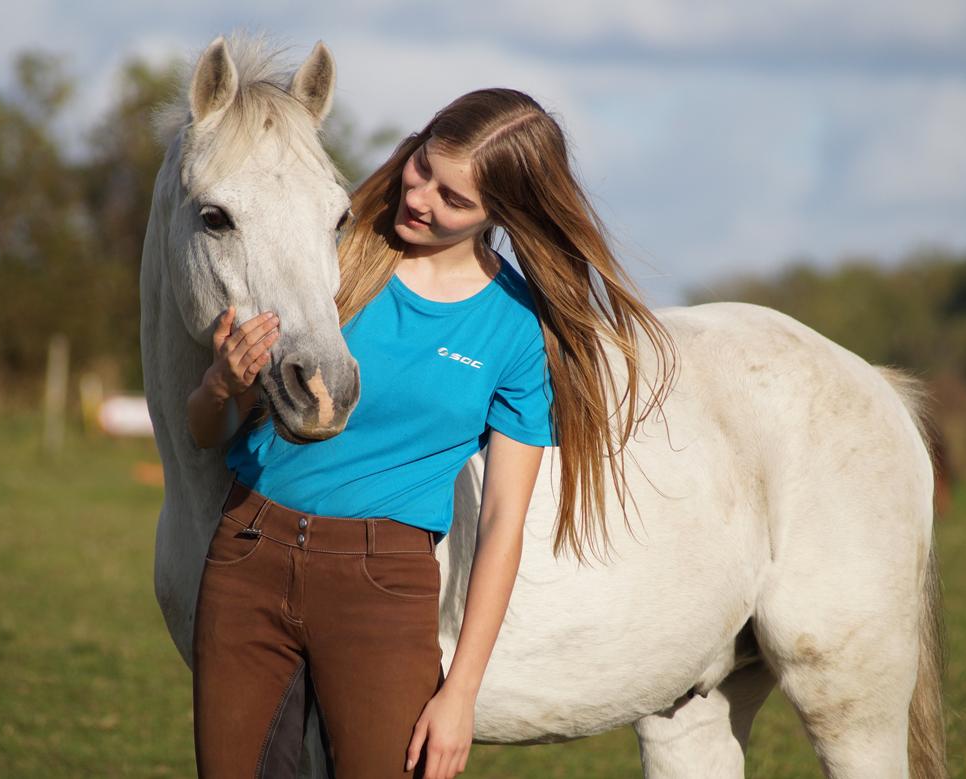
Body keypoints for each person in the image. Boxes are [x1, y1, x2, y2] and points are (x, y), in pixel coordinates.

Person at [185, 88, 677, 778]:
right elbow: (205, 432)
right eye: (423, 169)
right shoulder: (328, 254)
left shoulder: (513, 330)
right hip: (247, 556)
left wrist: (462, 694)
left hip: (379, 583)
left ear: (500, 214)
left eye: (454, 200)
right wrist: (219, 383)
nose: (420, 199)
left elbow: (504, 520)